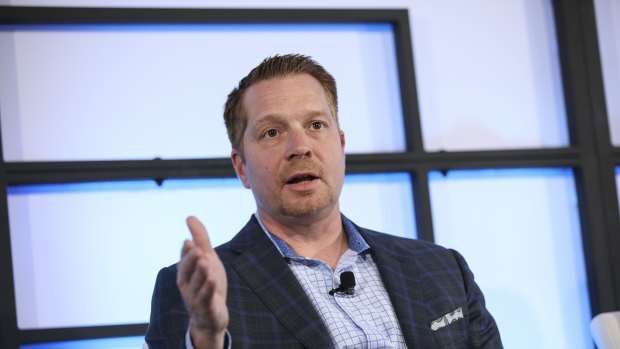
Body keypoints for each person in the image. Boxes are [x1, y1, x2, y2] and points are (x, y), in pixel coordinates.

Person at [145, 54, 503, 348]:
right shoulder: (192, 292)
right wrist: (207, 339)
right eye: (272, 132)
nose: (300, 147)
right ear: (241, 167)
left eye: (316, 125)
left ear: (341, 144)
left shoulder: (442, 268)